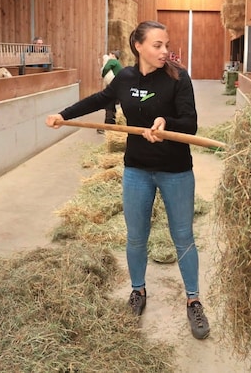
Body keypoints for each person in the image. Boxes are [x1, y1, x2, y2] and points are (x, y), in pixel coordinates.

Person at [45, 21, 210, 340]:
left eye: (166, 45)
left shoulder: (178, 78)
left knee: (183, 237)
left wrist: (166, 123)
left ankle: (194, 299)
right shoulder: (126, 78)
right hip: (136, 169)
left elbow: (189, 124)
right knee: (136, 236)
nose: (165, 51)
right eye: (157, 45)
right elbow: (98, 100)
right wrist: (64, 115)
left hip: (175, 170)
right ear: (138, 46)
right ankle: (138, 291)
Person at [98, 50, 123, 133]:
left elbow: (106, 68)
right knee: (112, 107)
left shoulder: (113, 61)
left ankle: (107, 128)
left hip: (114, 88)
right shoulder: (118, 64)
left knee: (108, 106)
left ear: (113, 55)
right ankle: (111, 126)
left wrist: (103, 74)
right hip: (118, 88)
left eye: (110, 54)